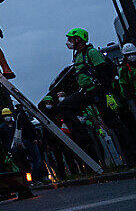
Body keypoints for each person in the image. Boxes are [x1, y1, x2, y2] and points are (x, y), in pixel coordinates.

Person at [56, 28, 136, 164]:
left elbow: (105, 73)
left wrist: (106, 94)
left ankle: (132, 158)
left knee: (114, 124)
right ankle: (84, 138)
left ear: (78, 40)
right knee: (64, 106)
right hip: (87, 92)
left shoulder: (92, 53)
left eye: (70, 39)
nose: (68, 42)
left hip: (99, 92)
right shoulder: (78, 56)